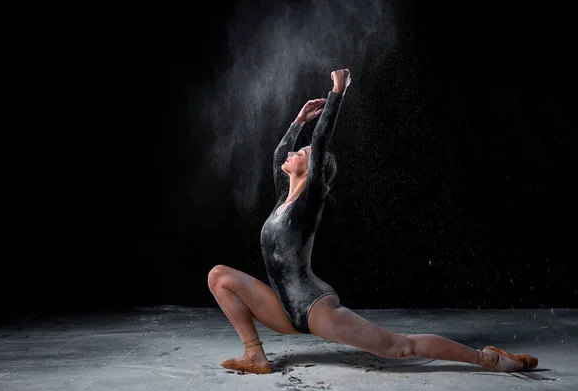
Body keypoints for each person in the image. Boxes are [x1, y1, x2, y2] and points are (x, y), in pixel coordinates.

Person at [208, 68, 538, 374]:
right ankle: (255, 355)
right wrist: (298, 120)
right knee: (219, 276)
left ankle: (487, 358)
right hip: (282, 309)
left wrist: (337, 91)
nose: (294, 154)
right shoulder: (284, 199)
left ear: (313, 171)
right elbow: (280, 155)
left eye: (303, 154)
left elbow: (321, 145)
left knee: (400, 348)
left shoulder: (309, 201)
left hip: (313, 306)